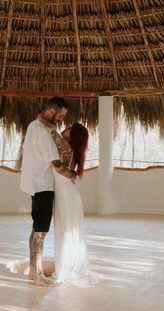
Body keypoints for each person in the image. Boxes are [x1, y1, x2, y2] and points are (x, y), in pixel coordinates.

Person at [18, 96, 76, 286]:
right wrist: (72, 175)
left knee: (36, 229)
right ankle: (38, 276)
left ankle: (34, 272)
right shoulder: (42, 132)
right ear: (51, 112)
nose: (61, 121)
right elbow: (56, 164)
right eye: (60, 117)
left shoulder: (34, 126)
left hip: (35, 183)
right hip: (42, 184)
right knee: (41, 231)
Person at [49, 123, 99, 287]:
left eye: (70, 127)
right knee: (67, 231)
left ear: (73, 135)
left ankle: (66, 267)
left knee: (65, 231)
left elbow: (51, 132)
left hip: (66, 195)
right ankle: (67, 265)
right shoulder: (70, 149)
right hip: (68, 194)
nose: (66, 127)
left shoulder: (65, 148)